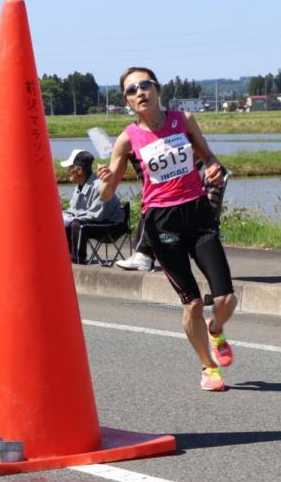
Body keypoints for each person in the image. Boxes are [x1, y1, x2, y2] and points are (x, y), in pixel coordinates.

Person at [97, 66, 237, 392]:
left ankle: (216, 328)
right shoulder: (127, 139)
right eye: (132, 90)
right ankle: (208, 367)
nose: (140, 93)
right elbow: (108, 194)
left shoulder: (183, 120)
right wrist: (105, 183)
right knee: (191, 302)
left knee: (226, 297)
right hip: (162, 223)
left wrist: (214, 169)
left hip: (198, 214)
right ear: (127, 101)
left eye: (145, 85)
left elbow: (210, 159)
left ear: (157, 89)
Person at [60, 148, 124, 264]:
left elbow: (96, 215)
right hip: (97, 221)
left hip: (112, 225)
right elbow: (74, 210)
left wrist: (71, 218)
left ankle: (78, 260)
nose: (68, 171)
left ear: (79, 170)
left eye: (70, 168)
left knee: (77, 225)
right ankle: (67, 259)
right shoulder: (79, 187)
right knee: (64, 222)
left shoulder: (99, 185)